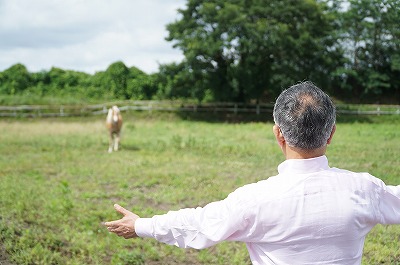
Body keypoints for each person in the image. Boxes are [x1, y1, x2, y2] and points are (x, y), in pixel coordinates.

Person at [104, 81, 400, 264]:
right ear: (331, 133)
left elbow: (199, 224)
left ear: (278, 135)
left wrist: (141, 225)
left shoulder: (255, 200)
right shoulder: (366, 190)